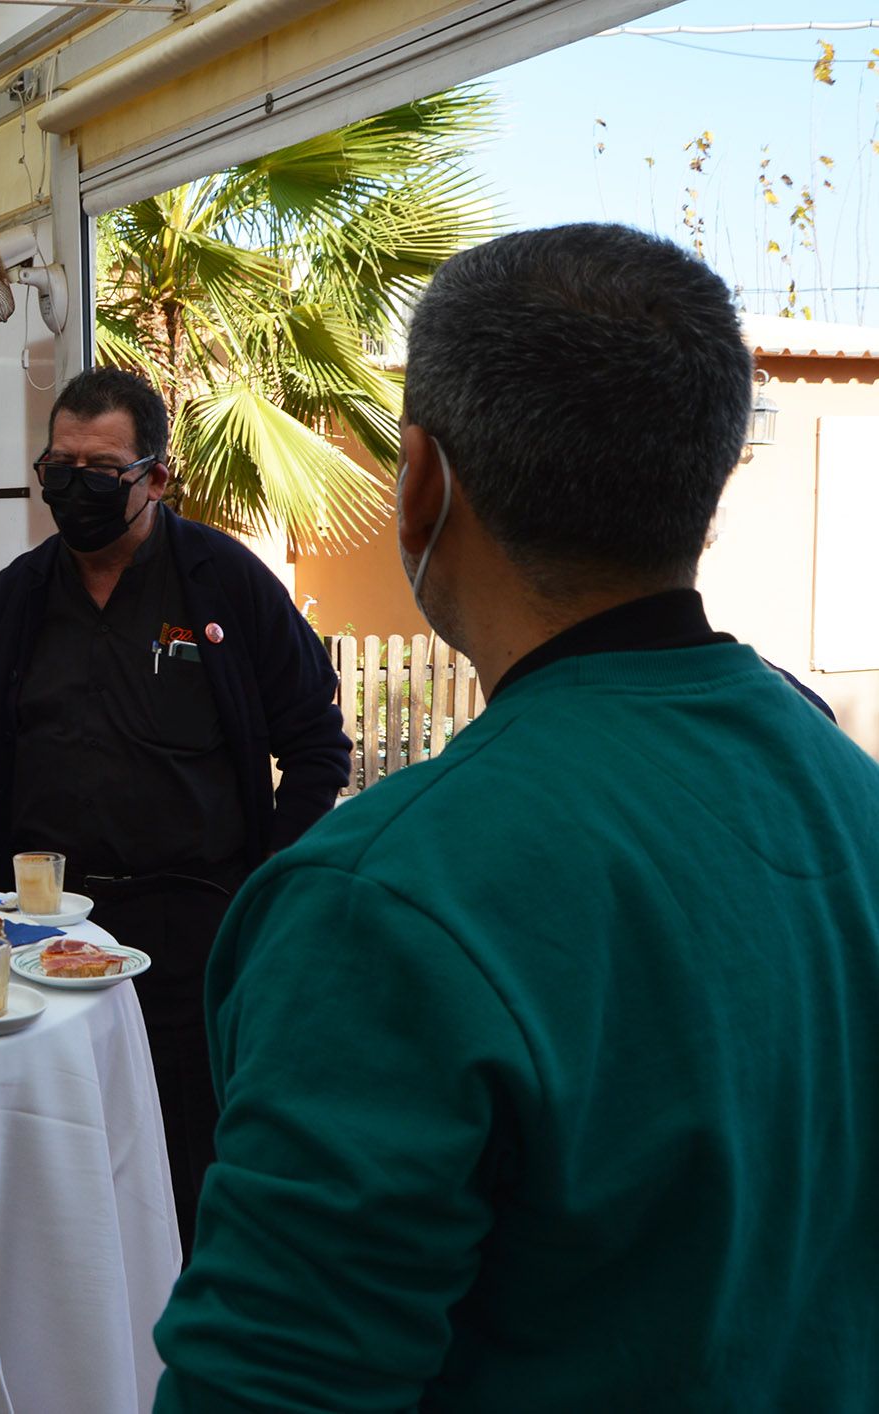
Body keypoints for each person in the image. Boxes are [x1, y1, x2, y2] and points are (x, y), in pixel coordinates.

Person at [154, 224, 879, 1411]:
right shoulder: (843, 796)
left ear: (422, 480)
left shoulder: (379, 905)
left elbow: (271, 1386)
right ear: (703, 484)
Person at [0, 366, 350, 1249]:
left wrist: (269, 884)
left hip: (193, 929)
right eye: (59, 469)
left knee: (182, 1160)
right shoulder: (14, 599)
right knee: (48, 1154)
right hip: (37, 930)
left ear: (155, 478)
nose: (74, 489)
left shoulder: (224, 586)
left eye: (100, 473)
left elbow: (318, 747)